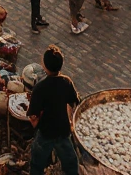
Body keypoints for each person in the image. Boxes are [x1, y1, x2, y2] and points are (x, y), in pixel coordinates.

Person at [27, 46, 80, 175]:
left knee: (36, 164)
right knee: (71, 163)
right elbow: (74, 102)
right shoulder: (66, 82)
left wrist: (34, 121)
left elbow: (33, 114)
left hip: (46, 132)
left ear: (44, 65)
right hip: (62, 130)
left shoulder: (40, 88)